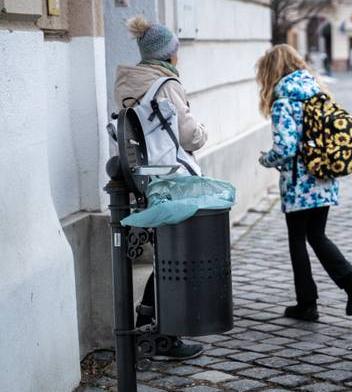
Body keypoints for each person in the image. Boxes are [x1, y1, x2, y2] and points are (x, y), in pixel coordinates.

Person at [113, 15, 207, 360]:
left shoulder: (129, 81)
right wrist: (202, 132)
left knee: (166, 253)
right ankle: (166, 337)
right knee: (177, 255)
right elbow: (187, 134)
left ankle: (149, 320)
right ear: (169, 54)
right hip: (172, 181)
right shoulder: (165, 84)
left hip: (144, 180)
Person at [255, 44, 352, 322]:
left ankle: (308, 303)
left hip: (298, 186)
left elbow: (285, 148)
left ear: (271, 71)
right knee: (317, 235)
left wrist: (266, 160)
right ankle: (351, 282)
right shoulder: (318, 94)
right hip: (324, 179)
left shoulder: (284, 101)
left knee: (298, 240)